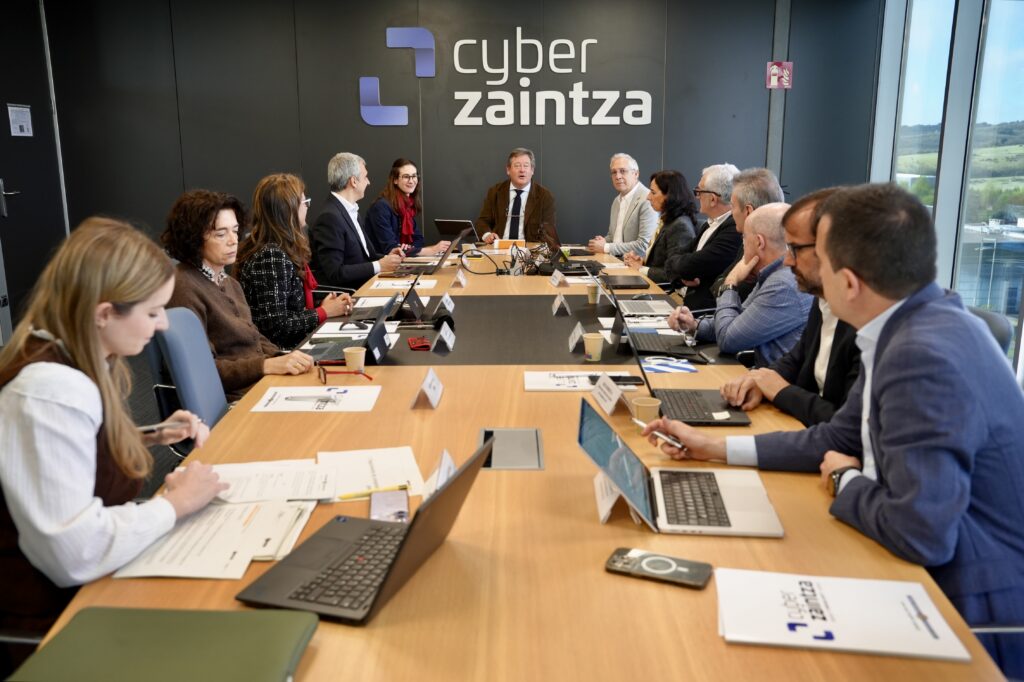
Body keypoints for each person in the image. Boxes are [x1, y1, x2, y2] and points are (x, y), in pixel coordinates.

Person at [645, 183, 1024, 678]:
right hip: (922, 573)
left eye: (815, 259)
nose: (798, 268)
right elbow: (835, 439)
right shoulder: (909, 326)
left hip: (967, 613)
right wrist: (714, 448)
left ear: (847, 282)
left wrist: (847, 480)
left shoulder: (921, 353)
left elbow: (921, 534)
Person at [0, 219, 226, 672]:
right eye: (153, 312)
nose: (163, 324)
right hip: (56, 623)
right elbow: (73, 551)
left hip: (91, 589)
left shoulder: (69, 355)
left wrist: (152, 433)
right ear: (104, 313)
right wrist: (175, 505)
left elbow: (67, 454)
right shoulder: (49, 393)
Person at [720, 188, 860, 426]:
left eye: (795, 249)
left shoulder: (868, 322)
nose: (787, 260)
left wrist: (779, 390)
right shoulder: (823, 299)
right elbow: (797, 357)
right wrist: (759, 379)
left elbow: (844, 423)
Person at [162, 190, 314, 401]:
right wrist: (265, 365)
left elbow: (253, 338)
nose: (234, 240)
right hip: (234, 399)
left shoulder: (229, 282)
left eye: (235, 231)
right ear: (193, 238)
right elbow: (202, 371)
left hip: (260, 384)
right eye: (221, 234)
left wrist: (283, 357)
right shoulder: (184, 288)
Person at [668, 203, 812, 365]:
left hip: (768, 377)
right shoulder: (772, 274)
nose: (742, 245)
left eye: (744, 237)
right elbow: (738, 322)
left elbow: (728, 339)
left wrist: (730, 283)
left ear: (759, 242)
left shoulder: (782, 284)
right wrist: (694, 325)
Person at [236, 173, 353, 349]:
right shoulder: (270, 256)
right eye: (304, 202)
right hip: (288, 353)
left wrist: (322, 307)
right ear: (288, 210)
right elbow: (277, 328)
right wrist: (324, 312)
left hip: (298, 344)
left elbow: (290, 310)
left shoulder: (278, 247)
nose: (307, 207)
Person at [309, 152, 405, 289]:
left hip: (368, 286)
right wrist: (379, 265)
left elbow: (365, 257)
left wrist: (386, 258)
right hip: (353, 294)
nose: (368, 182)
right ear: (353, 181)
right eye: (365, 177)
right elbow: (335, 273)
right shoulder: (329, 218)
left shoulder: (352, 210)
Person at [663, 163, 742, 311]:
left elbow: (690, 265)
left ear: (713, 199)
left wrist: (680, 268)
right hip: (687, 304)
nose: (697, 196)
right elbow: (671, 261)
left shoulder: (734, 229)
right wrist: (680, 278)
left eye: (699, 191)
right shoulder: (708, 224)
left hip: (704, 314)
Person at [707, 167, 785, 302]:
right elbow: (716, 287)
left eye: (733, 206)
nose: (731, 213)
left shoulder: (759, 250)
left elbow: (726, 295)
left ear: (748, 211)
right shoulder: (747, 240)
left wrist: (731, 281)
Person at [621, 170, 697, 283]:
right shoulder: (668, 220)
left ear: (669, 195)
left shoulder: (680, 226)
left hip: (664, 291)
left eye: (653, 192)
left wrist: (641, 269)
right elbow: (660, 263)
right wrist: (641, 262)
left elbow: (675, 273)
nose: (648, 197)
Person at [366, 158, 451, 257]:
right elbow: (391, 249)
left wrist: (408, 248)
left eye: (414, 176)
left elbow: (419, 240)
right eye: (406, 177)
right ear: (395, 180)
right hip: (382, 264)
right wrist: (432, 250)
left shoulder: (407, 207)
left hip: (402, 261)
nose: (411, 181)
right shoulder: (380, 207)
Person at [476, 148, 557, 243]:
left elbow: (548, 232)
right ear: (508, 170)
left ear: (532, 170)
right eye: (517, 166)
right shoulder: (495, 192)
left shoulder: (544, 196)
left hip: (528, 248)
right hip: (499, 246)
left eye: (526, 166)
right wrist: (487, 235)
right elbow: (482, 221)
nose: (522, 170)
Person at [587, 153, 658, 257]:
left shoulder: (647, 200)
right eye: (614, 172)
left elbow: (644, 245)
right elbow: (613, 237)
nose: (618, 176)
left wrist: (606, 247)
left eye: (623, 171)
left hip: (634, 264)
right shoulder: (616, 201)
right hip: (614, 260)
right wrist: (602, 242)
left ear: (636, 174)